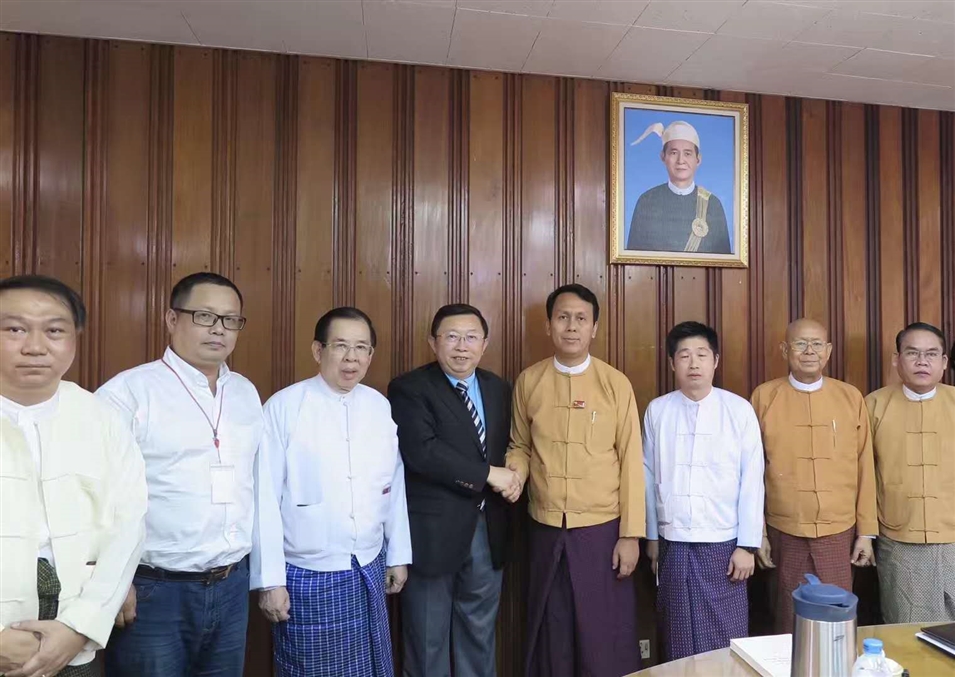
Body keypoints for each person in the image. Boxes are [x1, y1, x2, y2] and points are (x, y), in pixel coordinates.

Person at [98, 272, 287, 676]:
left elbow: (260, 489)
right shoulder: (128, 393)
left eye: (230, 320)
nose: (219, 329)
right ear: (171, 319)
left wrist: (268, 577)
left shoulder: (245, 393)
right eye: (205, 316)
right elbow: (96, 495)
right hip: (153, 590)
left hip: (231, 584)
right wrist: (112, 582)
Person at [0, 275, 147, 677]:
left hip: (74, 631)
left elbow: (128, 529)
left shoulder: (102, 419)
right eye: (14, 329)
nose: (35, 346)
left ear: (74, 338)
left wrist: (79, 628)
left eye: (54, 331)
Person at [262, 307, 412, 677]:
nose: (351, 358)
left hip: (369, 564)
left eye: (362, 348)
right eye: (341, 346)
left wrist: (398, 555)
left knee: (371, 667)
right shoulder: (284, 406)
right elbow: (264, 499)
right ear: (318, 350)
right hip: (308, 573)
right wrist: (270, 581)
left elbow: (393, 486)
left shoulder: (378, 406)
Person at [505, 284, 645, 677]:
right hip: (545, 526)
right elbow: (520, 445)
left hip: (602, 530)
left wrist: (631, 536)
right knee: (552, 627)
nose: (571, 326)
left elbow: (632, 463)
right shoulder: (529, 381)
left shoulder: (614, 383)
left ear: (594, 327)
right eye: (562, 317)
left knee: (601, 632)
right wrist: (515, 472)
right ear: (549, 325)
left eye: (581, 319)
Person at [388, 304, 514, 677]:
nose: (462, 346)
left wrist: (515, 471)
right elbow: (422, 452)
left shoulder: (497, 388)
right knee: (427, 639)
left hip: (488, 529)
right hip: (432, 535)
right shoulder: (409, 388)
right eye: (452, 337)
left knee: (480, 633)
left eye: (471, 337)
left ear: (485, 344)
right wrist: (488, 474)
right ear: (433, 342)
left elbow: (509, 444)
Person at [644, 322, 764, 661]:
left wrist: (747, 546)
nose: (693, 364)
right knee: (677, 635)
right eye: (684, 356)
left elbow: (752, 480)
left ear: (716, 361)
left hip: (724, 544)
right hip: (673, 542)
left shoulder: (738, 410)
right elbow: (647, 476)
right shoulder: (658, 410)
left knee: (725, 637)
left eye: (701, 355)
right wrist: (652, 538)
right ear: (672, 363)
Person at [751, 318, 877, 634]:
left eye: (817, 344)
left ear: (829, 350)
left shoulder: (850, 397)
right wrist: (758, 533)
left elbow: (865, 466)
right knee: (786, 618)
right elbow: (751, 472)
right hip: (784, 529)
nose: (809, 351)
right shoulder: (765, 397)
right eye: (800, 343)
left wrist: (866, 533)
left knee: (837, 620)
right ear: (785, 350)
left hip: (839, 531)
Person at [866, 322, 954, 623]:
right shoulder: (874, 405)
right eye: (912, 353)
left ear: (944, 361)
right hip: (900, 539)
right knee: (908, 628)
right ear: (896, 359)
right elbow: (863, 475)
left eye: (931, 354)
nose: (922, 361)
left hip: (953, 536)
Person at [626, 120, 731, 255]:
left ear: (698, 159)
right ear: (663, 157)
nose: (681, 160)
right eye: (674, 153)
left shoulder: (713, 204)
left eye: (687, 153)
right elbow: (633, 259)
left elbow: (724, 261)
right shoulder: (646, 201)